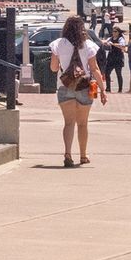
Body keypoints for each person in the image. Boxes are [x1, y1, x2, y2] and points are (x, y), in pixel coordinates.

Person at [51, 15, 102, 167]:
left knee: (68, 123)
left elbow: (54, 68)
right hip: (84, 87)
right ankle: (83, 155)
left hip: (65, 86)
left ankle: (67, 153)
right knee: (83, 124)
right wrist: (103, 89)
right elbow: (95, 69)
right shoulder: (88, 45)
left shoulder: (58, 44)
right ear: (82, 28)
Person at [99, 24, 125, 92]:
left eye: (115, 31)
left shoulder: (121, 38)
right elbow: (104, 42)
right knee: (107, 73)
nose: (114, 33)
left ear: (118, 32)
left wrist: (112, 44)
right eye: (113, 31)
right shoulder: (110, 38)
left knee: (118, 74)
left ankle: (120, 89)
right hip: (111, 58)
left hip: (118, 58)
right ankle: (108, 88)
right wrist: (105, 43)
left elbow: (122, 45)